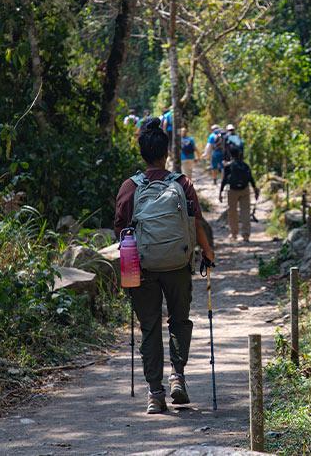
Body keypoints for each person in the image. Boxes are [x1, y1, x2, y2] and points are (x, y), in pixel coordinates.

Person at [114, 117, 215, 414]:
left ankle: (155, 394)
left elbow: (120, 230)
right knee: (179, 321)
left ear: (142, 153)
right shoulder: (182, 184)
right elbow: (196, 224)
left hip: (142, 269)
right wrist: (208, 254)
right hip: (177, 265)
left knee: (149, 327)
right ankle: (177, 377)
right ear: (167, 153)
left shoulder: (129, 188)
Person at [219, 147, 259, 242]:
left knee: (232, 212)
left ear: (231, 155)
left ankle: (234, 234)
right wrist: (255, 189)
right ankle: (246, 235)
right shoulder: (245, 165)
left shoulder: (228, 166)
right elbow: (250, 178)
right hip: (245, 189)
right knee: (245, 212)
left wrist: (220, 192)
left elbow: (224, 180)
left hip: (232, 190)